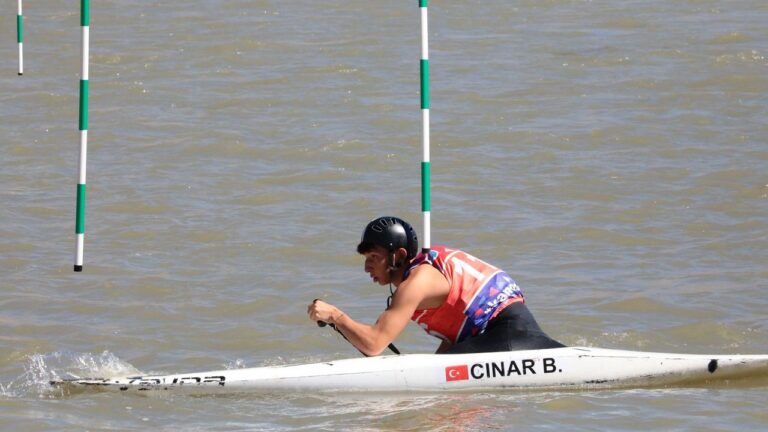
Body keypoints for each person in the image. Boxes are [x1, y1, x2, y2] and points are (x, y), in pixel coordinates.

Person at [307, 216, 564, 356]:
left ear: (399, 255)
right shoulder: (426, 271)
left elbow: (374, 344)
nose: (367, 267)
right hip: (505, 332)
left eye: (374, 258)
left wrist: (335, 316)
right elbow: (460, 332)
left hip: (509, 334)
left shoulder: (417, 282)